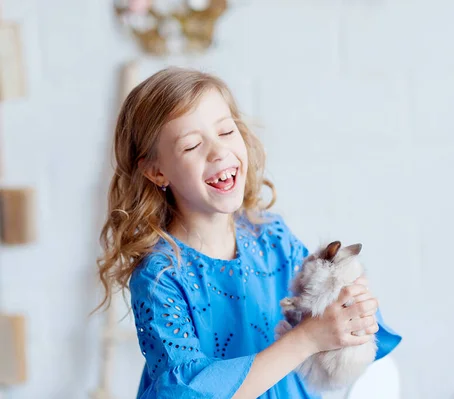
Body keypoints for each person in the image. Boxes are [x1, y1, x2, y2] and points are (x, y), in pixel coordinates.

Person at [96, 67, 401, 399]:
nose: (218, 151)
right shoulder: (161, 277)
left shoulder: (271, 238)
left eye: (226, 132)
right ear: (157, 171)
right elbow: (188, 391)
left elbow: (320, 325)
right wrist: (307, 338)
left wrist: (345, 308)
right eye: (192, 145)